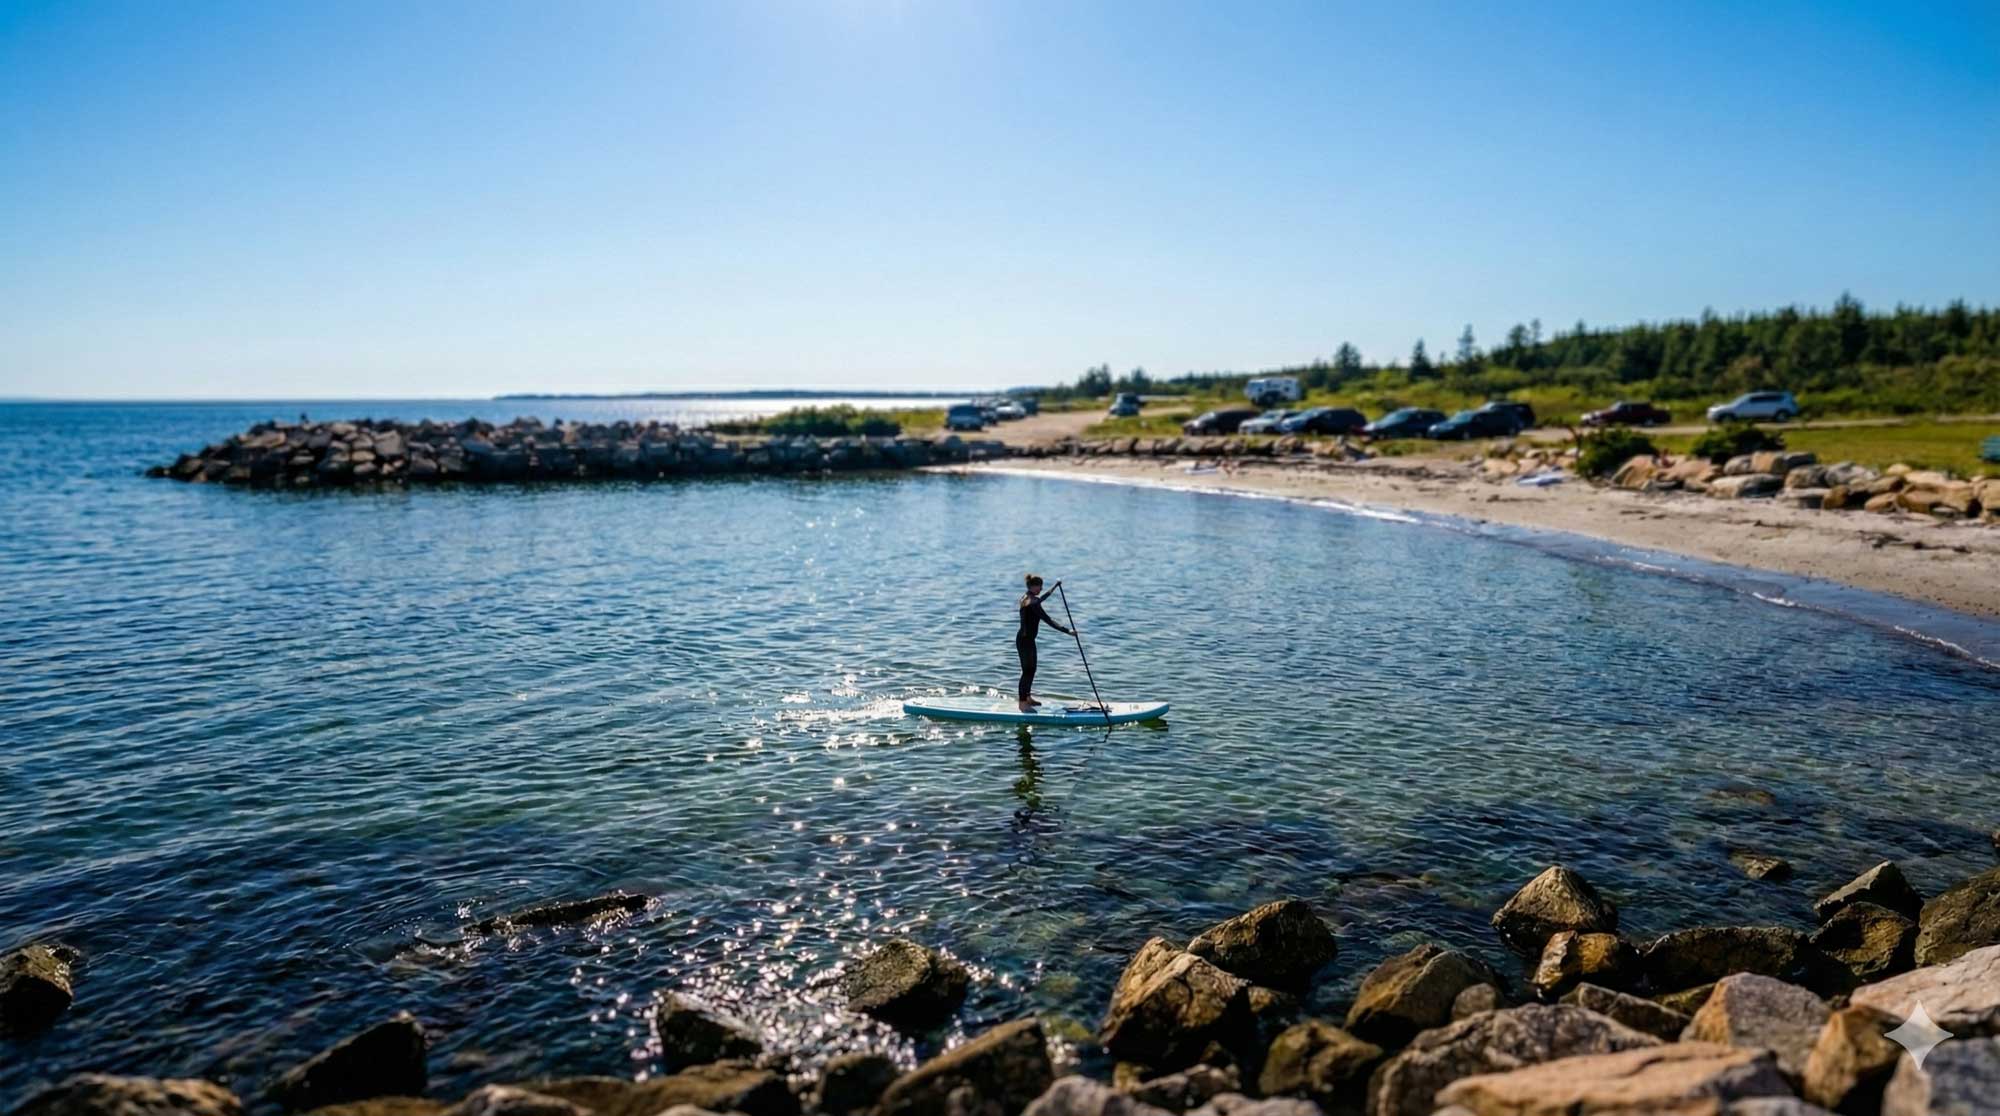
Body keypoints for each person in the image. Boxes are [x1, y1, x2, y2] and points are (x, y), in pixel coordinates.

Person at [1016, 573, 1071, 711]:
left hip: (1026, 639)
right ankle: (1022, 703)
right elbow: (1048, 620)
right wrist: (1067, 631)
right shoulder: (1032, 603)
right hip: (1025, 641)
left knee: (1032, 669)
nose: (1041, 589)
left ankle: (1027, 697)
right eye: (1040, 587)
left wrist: (1054, 587)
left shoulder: (1026, 597)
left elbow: (1041, 598)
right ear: (1034, 587)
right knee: (1027, 671)